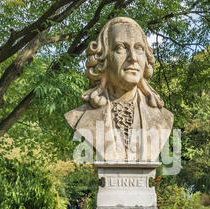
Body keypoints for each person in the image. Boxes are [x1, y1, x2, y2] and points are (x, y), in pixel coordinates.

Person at [64, 17, 173, 162]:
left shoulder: (163, 119)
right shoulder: (80, 117)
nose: (133, 58)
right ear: (103, 59)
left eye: (139, 48)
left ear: (146, 60)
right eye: (121, 48)